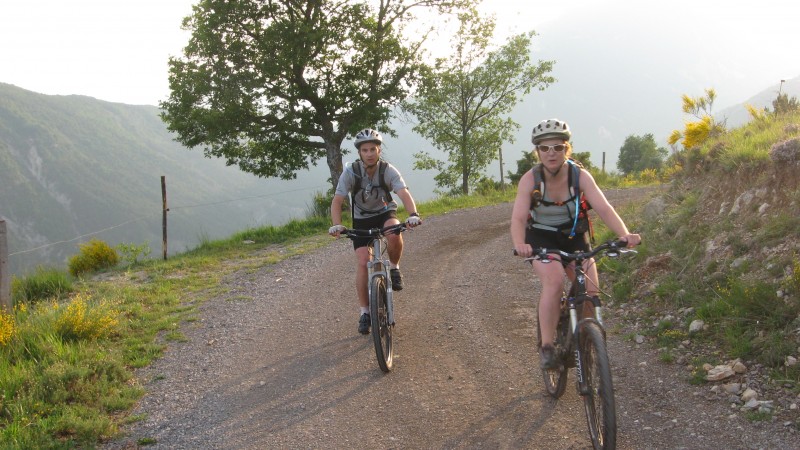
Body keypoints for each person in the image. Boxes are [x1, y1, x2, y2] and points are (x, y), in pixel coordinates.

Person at [510, 118, 641, 368]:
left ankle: (585, 340)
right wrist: (520, 244)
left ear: (566, 149)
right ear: (537, 151)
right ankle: (547, 346)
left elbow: (604, 208)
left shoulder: (579, 176)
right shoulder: (530, 179)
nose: (551, 153)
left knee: (590, 292)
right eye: (545, 148)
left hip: (573, 237)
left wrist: (625, 235)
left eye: (558, 147)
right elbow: (517, 218)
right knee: (554, 280)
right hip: (540, 238)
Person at [329, 128, 422, 335]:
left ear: (379, 150)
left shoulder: (388, 170)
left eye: (373, 149)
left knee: (393, 232)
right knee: (363, 261)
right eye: (365, 150)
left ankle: (395, 268)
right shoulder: (351, 172)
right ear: (359, 152)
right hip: (361, 219)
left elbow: (403, 193)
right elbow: (337, 200)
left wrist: (413, 214)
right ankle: (365, 313)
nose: (369, 153)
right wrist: (336, 224)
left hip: (384, 213)